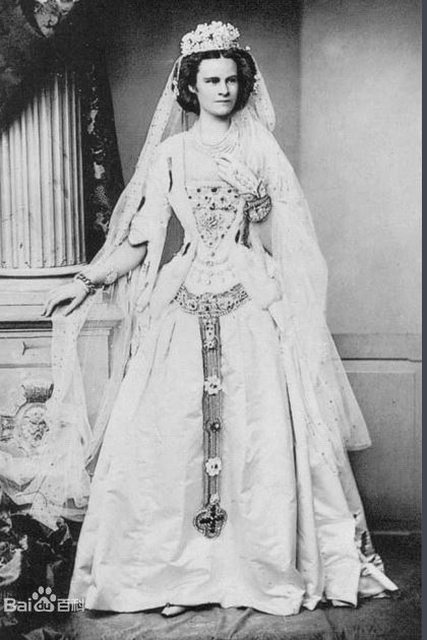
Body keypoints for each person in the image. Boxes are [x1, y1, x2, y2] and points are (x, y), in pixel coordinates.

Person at [43, 21, 397, 617]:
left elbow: (287, 244)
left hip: (250, 296)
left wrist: (260, 212)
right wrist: (84, 281)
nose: (224, 90)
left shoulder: (260, 149)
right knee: (168, 434)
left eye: (231, 80)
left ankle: (250, 565)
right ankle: (175, 572)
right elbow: (141, 239)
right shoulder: (172, 154)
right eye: (212, 81)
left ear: (242, 84)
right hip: (181, 298)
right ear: (190, 87)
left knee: (257, 430)